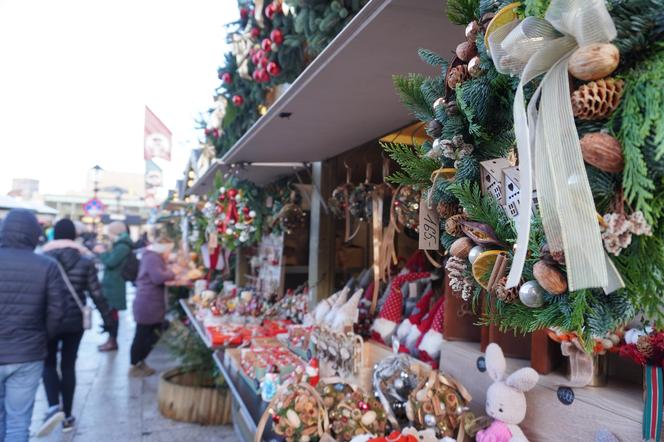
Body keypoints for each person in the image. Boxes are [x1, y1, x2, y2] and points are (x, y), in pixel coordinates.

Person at [37, 219, 118, 435]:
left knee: (48, 364)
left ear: (54, 235)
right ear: (74, 236)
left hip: (48, 320)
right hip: (74, 321)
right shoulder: (85, 261)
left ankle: (54, 407)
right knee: (69, 365)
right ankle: (68, 416)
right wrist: (109, 322)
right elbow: (96, 293)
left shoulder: (42, 259)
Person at [0, 209, 65, 442]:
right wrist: (41, 337)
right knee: (18, 422)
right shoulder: (47, 265)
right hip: (27, 353)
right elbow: (57, 312)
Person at [129, 234, 175, 377]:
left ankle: (140, 362)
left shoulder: (152, 256)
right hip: (147, 303)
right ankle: (135, 365)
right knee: (143, 334)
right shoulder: (152, 257)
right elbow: (158, 277)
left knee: (151, 332)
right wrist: (172, 272)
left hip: (149, 302)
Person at [95, 221, 132, 352]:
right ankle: (110, 339)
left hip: (115, 284)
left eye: (110, 232)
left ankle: (112, 340)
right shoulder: (120, 244)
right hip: (112, 283)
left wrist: (102, 252)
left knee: (112, 314)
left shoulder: (122, 246)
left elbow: (111, 262)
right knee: (110, 313)